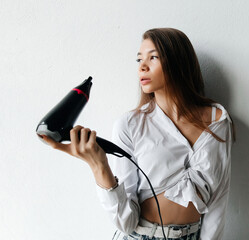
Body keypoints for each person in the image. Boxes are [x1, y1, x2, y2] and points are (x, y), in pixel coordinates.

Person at [42, 28, 234, 240]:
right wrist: (99, 166)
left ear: (178, 63)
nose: (142, 66)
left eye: (153, 57)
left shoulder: (217, 121)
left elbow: (218, 199)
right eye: (139, 59)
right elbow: (127, 222)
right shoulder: (130, 125)